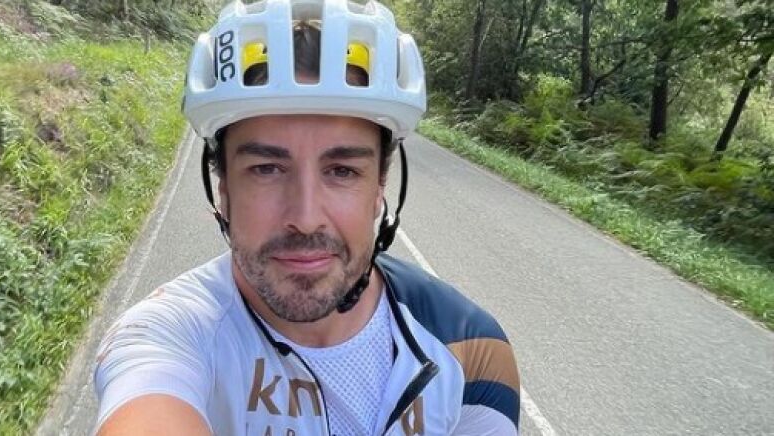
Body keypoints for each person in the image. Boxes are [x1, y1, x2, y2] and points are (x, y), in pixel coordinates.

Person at [92, 0, 520, 434]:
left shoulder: (470, 347)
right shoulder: (168, 335)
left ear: (379, 186)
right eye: (266, 169)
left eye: (342, 171)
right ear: (223, 188)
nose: (306, 217)